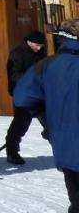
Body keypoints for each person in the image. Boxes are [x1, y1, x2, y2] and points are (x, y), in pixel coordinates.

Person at [15, 19, 79, 212]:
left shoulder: (47, 65)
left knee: (75, 193)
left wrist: (45, 115)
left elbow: (22, 96)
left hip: (63, 140)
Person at [4, 29, 49, 165]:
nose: (39, 48)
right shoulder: (17, 54)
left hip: (40, 93)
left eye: (41, 46)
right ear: (29, 42)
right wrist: (32, 79)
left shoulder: (40, 53)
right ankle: (12, 151)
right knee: (21, 124)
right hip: (24, 94)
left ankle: (62, 151)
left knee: (51, 122)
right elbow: (14, 75)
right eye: (37, 45)